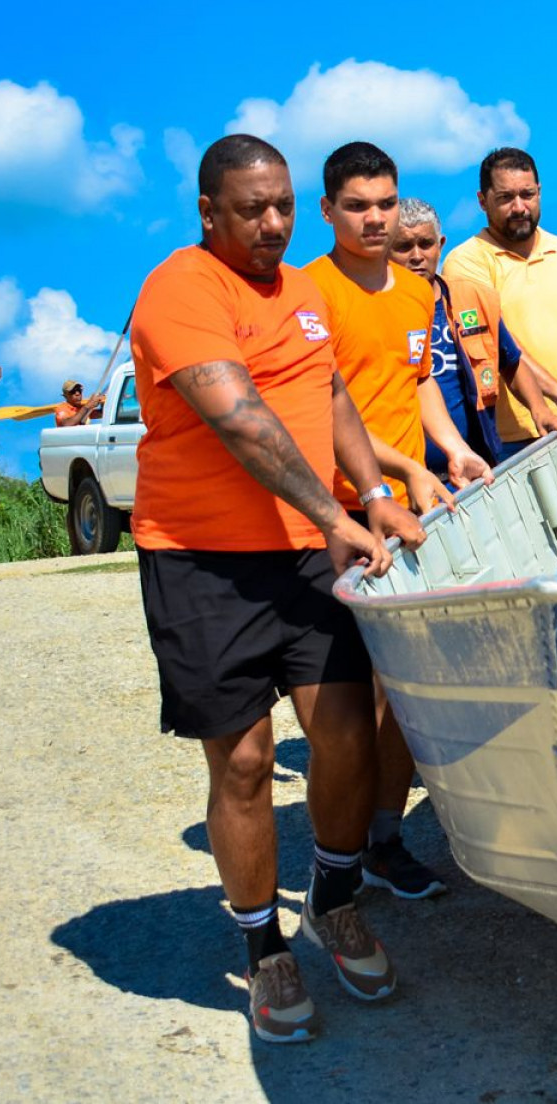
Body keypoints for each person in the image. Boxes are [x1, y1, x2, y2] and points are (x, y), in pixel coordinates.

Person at [128, 133, 426, 1044]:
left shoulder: (301, 291)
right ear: (208, 211)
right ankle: (264, 948)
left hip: (303, 552)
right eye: (251, 209)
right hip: (202, 561)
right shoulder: (181, 290)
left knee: (346, 735)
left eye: (284, 206)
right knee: (247, 762)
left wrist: (374, 491)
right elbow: (241, 419)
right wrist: (338, 517)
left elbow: (329, 397)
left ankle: (333, 902)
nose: (273, 224)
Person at [303, 141, 496, 904]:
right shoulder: (309, 292)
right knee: (351, 699)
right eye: (357, 206)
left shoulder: (418, 293)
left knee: (408, 690)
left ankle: (385, 840)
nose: (376, 219)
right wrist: (401, 472)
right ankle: (342, 853)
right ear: (328, 211)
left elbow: (417, 385)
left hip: (409, 509)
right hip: (340, 513)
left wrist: (451, 452)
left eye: (386, 203)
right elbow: (324, 410)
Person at [440, 148, 557, 458]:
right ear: (482, 201)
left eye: (527, 194)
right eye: (505, 198)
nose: (519, 207)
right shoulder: (465, 263)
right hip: (510, 441)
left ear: (539, 192)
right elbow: (499, 345)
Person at [389, 197, 557, 470]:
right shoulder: (377, 312)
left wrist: (540, 410)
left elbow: (511, 361)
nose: (417, 256)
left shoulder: (472, 297)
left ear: (440, 245)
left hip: (478, 468)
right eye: (404, 246)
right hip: (410, 471)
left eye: (425, 244)